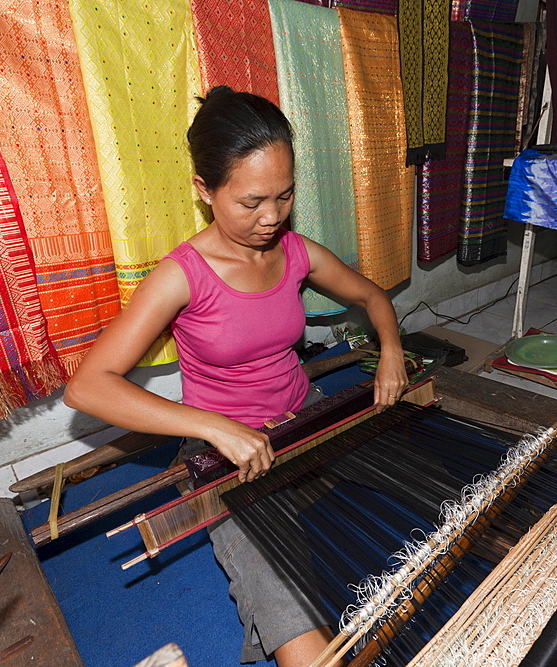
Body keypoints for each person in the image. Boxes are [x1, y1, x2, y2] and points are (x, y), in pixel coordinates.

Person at [64, 86, 408, 667]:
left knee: (419, 508)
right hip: (230, 458)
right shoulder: (183, 276)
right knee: (293, 620)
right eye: (251, 202)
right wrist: (213, 428)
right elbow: (87, 385)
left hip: (306, 418)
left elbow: (372, 296)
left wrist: (393, 349)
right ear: (205, 191)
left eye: (285, 195)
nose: (272, 217)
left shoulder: (294, 251)